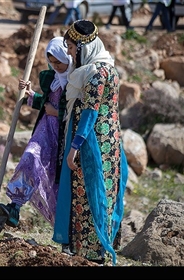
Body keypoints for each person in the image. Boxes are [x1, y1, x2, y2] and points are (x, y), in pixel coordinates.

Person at [52, 19, 128, 266]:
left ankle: (91, 253)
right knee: (101, 191)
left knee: (89, 193)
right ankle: (92, 250)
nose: (71, 53)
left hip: (93, 145)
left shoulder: (96, 73)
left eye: (73, 48)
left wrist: (74, 148)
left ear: (85, 47)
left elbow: (90, 113)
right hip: (108, 143)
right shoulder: (109, 69)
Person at [0, 37, 73, 228]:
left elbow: (79, 110)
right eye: (52, 62)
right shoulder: (52, 78)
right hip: (45, 130)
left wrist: (57, 112)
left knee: (56, 178)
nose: (56, 66)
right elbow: (45, 102)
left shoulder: (76, 81)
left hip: (63, 136)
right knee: (30, 157)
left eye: (59, 62)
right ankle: (15, 206)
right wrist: (30, 94)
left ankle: (65, 229)